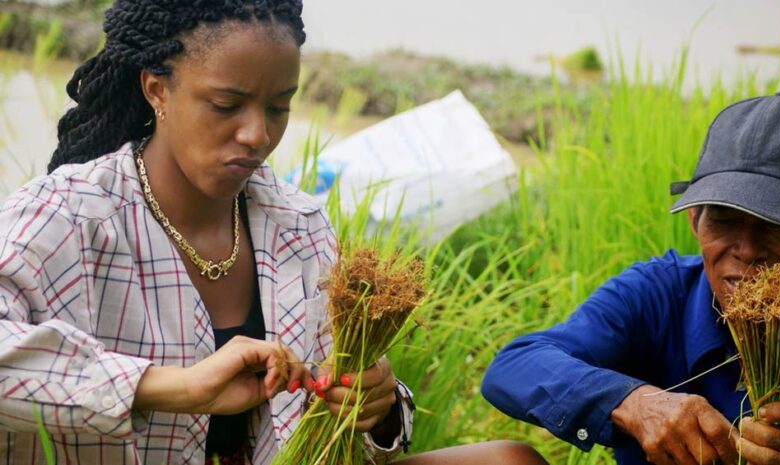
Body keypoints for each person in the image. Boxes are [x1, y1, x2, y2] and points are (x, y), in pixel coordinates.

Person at [0, 1, 547, 464]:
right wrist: (178, 388)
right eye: (226, 104)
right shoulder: (72, 214)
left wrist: (375, 406)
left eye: (280, 107)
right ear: (156, 91)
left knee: (510, 459)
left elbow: (348, 403)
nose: (258, 134)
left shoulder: (299, 223)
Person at [481, 93, 780, 465]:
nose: (748, 250)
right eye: (725, 220)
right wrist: (636, 403)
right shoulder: (657, 294)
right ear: (694, 219)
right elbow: (516, 364)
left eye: (777, 221)